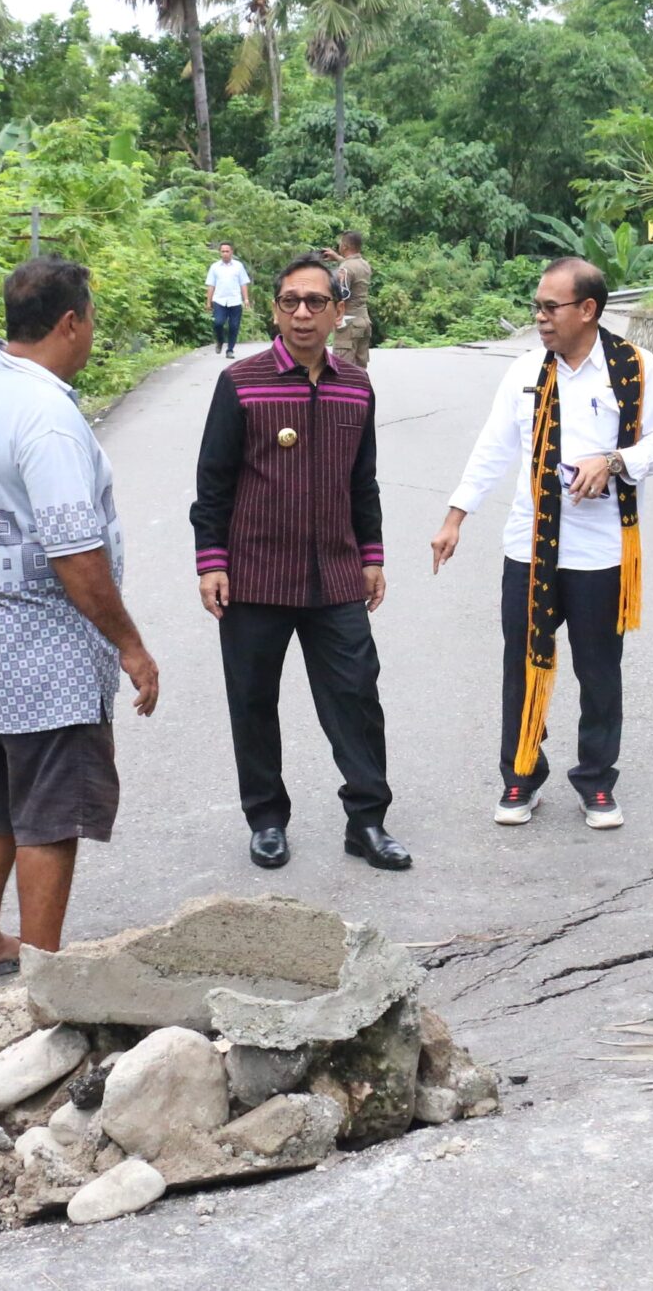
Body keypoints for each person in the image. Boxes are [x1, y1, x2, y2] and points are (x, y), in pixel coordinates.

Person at [0, 257, 160, 986]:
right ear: (71, 322)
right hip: (47, 654)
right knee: (52, 814)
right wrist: (130, 645)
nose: (92, 331)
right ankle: (42, 980)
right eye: (91, 318)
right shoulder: (49, 420)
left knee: (3, 795)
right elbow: (74, 551)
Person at [431, 257, 653, 829]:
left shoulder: (635, 368)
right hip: (530, 548)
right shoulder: (524, 371)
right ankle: (521, 776)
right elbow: (492, 448)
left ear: (588, 310)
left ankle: (596, 781)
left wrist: (617, 461)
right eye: (537, 307)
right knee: (522, 667)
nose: (541, 318)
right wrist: (455, 517)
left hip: (601, 554)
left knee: (599, 672)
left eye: (552, 307)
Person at [192, 253, 408, 873]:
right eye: (291, 301)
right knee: (253, 700)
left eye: (317, 302)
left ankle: (366, 820)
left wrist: (372, 556)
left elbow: (362, 482)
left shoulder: (354, 385)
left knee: (356, 696)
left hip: (336, 574)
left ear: (341, 311)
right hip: (255, 574)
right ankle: (266, 819)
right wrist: (212, 561)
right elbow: (213, 482)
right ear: (275, 309)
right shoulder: (242, 383)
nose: (303, 313)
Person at [320, 230, 374, 368]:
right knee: (360, 369)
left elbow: (343, 294)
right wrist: (337, 257)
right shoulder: (364, 265)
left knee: (343, 369)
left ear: (344, 246)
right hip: (363, 320)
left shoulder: (345, 269)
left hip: (348, 323)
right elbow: (352, 267)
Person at [206, 241, 251, 359]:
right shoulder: (214, 267)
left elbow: (243, 283)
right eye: (223, 251)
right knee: (218, 323)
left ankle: (230, 350)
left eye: (227, 251)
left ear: (231, 252)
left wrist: (246, 299)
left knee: (234, 326)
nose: (225, 253)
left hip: (235, 300)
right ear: (220, 253)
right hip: (219, 300)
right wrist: (208, 301)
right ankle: (220, 341)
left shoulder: (238, 266)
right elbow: (211, 285)